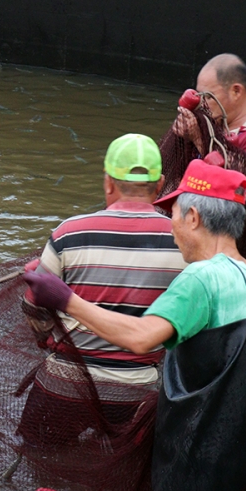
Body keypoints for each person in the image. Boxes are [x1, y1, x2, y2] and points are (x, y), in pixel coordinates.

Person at [23, 158, 246, 491]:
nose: (171, 226)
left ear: (195, 216)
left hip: (198, 471)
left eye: (174, 215)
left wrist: (65, 299)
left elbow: (140, 337)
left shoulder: (201, 279)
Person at [18, 133, 187, 449]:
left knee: (38, 458)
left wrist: (44, 339)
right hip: (139, 392)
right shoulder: (183, 241)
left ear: (108, 182)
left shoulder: (69, 232)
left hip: (65, 385)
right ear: (162, 183)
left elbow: (34, 307)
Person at [174, 53, 246, 207]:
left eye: (209, 97)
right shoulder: (210, 126)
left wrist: (199, 140)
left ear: (236, 92)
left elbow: (242, 182)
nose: (201, 104)